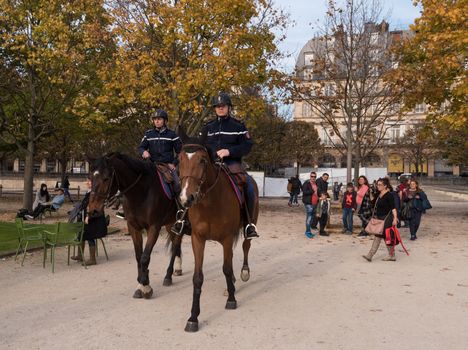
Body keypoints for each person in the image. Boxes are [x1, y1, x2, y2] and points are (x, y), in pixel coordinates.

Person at [199, 92, 258, 239]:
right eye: (217, 106)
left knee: (249, 185)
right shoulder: (207, 127)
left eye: (223, 106)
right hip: (211, 164)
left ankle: (248, 224)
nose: (220, 108)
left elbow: (247, 146)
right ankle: (184, 220)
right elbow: (200, 146)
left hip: (232, 164)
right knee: (191, 182)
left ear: (229, 107)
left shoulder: (238, 126)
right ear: (215, 109)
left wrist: (229, 151)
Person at [138, 108, 182, 191]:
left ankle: (178, 203)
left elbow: (180, 152)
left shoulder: (172, 134)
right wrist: (143, 152)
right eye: (155, 119)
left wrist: (174, 163)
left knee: (177, 185)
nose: (156, 121)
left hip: (167, 166)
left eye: (159, 119)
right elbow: (141, 147)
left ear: (165, 121)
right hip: (152, 165)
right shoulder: (148, 134)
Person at [71, 177, 108, 265]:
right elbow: (84, 204)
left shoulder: (96, 193)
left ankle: (92, 259)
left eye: (89, 181)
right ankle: (80, 255)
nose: (87, 183)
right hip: (89, 218)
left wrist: (88, 216)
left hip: (96, 220)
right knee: (81, 233)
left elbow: (96, 208)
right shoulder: (90, 192)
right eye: (87, 181)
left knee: (88, 234)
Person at [362, 178, 399, 262]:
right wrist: (370, 193)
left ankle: (371, 255)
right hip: (379, 219)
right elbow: (373, 203)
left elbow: (393, 208)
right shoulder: (379, 194)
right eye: (377, 185)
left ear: (385, 186)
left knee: (383, 236)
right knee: (381, 236)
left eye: (380, 185)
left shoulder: (389, 195)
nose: (378, 186)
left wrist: (395, 218)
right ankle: (389, 255)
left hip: (387, 219)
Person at [302, 172, 319, 238]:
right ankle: (307, 232)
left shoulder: (316, 183)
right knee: (309, 217)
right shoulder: (307, 183)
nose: (313, 178)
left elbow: (318, 192)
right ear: (310, 176)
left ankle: (309, 229)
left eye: (314, 176)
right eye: (312, 176)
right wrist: (312, 191)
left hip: (315, 203)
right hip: (308, 203)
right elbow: (304, 192)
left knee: (312, 217)